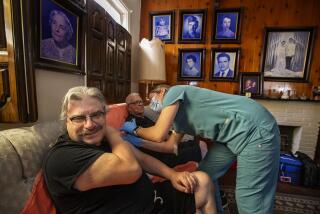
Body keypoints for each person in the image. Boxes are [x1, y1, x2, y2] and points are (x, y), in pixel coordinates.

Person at [43, 86, 216, 214]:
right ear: (67, 120)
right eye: (79, 118)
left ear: (105, 114)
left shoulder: (99, 139)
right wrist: (111, 131)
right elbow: (132, 169)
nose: (89, 124)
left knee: (203, 181)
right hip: (143, 209)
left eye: (96, 115)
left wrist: (172, 175)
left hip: (153, 200)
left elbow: (140, 158)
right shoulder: (63, 157)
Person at [122, 85, 280, 214]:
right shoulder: (178, 121)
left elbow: (158, 134)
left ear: (162, 91)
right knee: (205, 174)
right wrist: (138, 143)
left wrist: (135, 130)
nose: (150, 102)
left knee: (249, 197)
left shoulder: (173, 92)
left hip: (253, 129)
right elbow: (170, 147)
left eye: (151, 97)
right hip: (232, 137)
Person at [124, 93, 203, 166]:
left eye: (141, 101)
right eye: (136, 102)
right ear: (129, 107)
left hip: (169, 145)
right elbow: (150, 145)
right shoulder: (131, 123)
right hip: (161, 155)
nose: (140, 104)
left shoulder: (145, 117)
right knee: (201, 147)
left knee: (199, 143)